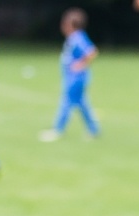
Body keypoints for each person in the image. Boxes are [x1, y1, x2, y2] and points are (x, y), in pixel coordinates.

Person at [40, 7, 98, 141]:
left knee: (66, 102)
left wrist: (80, 65)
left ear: (71, 25)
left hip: (76, 78)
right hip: (73, 77)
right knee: (82, 103)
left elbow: (92, 52)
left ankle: (58, 129)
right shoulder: (73, 38)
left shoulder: (78, 37)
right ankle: (94, 129)